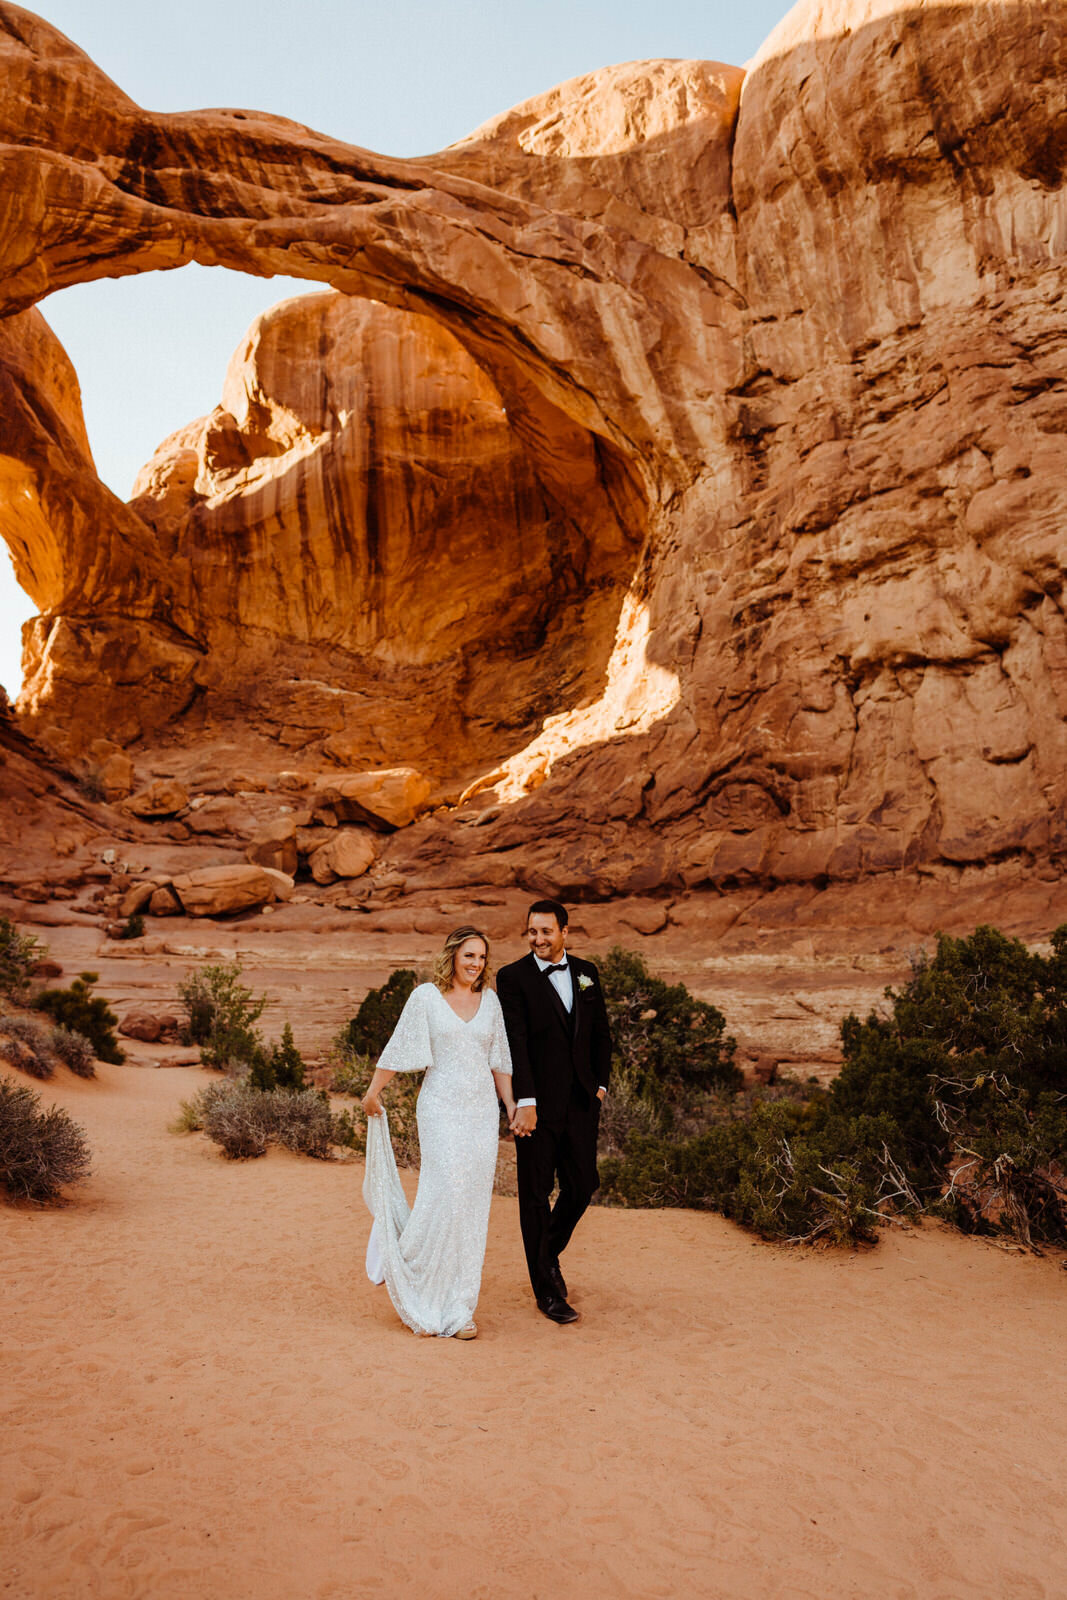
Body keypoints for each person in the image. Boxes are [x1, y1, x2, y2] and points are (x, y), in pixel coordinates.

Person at [360, 926, 515, 1340]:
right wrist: (373, 1091)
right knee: (443, 1193)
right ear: (452, 957)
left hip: (481, 1112)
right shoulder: (426, 997)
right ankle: (412, 1273)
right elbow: (398, 1047)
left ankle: (460, 1308)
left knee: (471, 1207)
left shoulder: (492, 1003)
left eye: (481, 957)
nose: (475, 964)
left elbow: (500, 1060)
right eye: (469, 956)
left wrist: (512, 1105)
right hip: (441, 1109)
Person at [496, 899, 612, 1324]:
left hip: (583, 1102)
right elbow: (516, 1042)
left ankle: (546, 1256)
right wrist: (524, 1101)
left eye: (546, 931)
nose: (538, 939)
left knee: (583, 1185)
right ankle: (547, 1292)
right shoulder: (511, 978)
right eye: (532, 932)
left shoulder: (586, 973)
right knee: (534, 1194)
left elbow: (601, 1032)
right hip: (536, 1108)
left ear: (565, 931)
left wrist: (601, 1085)